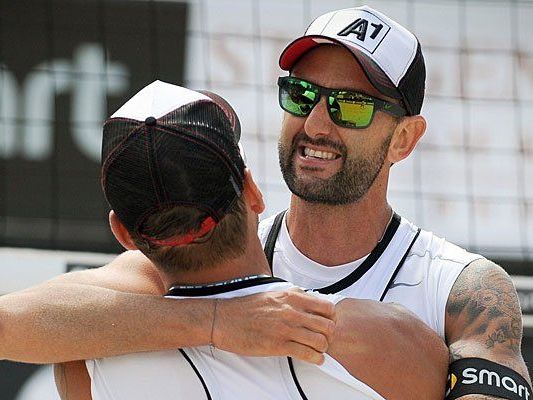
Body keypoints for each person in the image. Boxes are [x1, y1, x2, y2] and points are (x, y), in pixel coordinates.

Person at [0, 5, 528, 400]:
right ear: (250, 190)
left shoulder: (461, 287)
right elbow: (20, 321)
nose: (317, 124)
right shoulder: (203, 253)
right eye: (301, 95)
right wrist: (223, 322)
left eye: (352, 106)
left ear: (405, 139)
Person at [56, 80, 447, 400]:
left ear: (124, 234)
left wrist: (210, 322)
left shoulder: (83, 358)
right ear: (253, 190)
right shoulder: (380, 339)